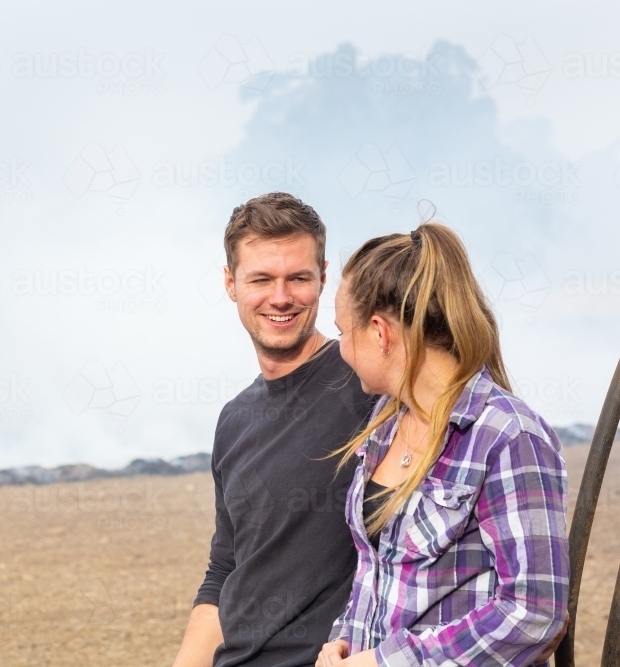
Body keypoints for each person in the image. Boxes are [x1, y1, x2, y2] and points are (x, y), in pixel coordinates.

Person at [172, 194, 567, 667]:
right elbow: (231, 568)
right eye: (261, 278)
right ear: (230, 282)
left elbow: (534, 609)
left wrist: (382, 662)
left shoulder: (390, 400)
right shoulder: (255, 421)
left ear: (323, 277)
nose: (280, 296)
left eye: (297, 277)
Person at [316, 223, 570, 667]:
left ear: (380, 332)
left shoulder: (508, 436)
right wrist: (342, 641)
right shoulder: (384, 422)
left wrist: (385, 664)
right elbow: (376, 572)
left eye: (342, 332)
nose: (341, 348)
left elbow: (534, 613)